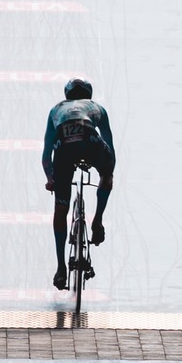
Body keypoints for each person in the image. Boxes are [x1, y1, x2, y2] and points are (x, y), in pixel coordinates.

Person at [42, 78, 115, 291]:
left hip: (63, 147)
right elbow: (109, 144)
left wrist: (50, 179)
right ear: (88, 94)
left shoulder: (56, 109)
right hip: (89, 137)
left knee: (60, 210)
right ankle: (97, 222)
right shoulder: (96, 107)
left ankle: (60, 268)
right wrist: (107, 174)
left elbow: (46, 154)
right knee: (106, 176)